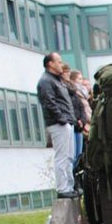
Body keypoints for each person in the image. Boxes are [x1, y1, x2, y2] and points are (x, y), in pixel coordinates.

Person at [36, 52, 79, 199]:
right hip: (58, 123)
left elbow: (70, 94)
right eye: (59, 62)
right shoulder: (46, 81)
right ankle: (63, 188)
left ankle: (69, 186)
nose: (62, 64)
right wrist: (62, 119)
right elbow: (49, 102)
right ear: (50, 64)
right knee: (62, 156)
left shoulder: (57, 80)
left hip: (66, 122)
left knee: (69, 157)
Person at [68, 69, 92, 171]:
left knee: (79, 155)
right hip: (79, 125)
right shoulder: (75, 93)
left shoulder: (82, 93)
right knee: (75, 156)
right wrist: (80, 120)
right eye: (80, 79)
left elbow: (82, 108)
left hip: (83, 124)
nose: (81, 82)